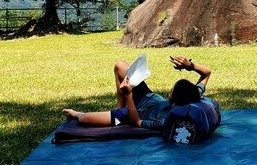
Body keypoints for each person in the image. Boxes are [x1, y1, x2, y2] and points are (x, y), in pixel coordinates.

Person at [63, 55, 212, 131]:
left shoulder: (165, 120)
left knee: (83, 118)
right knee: (120, 66)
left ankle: (113, 113)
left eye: (172, 91)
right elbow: (207, 73)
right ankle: (119, 106)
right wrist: (189, 65)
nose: (170, 90)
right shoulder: (194, 94)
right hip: (148, 97)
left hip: (133, 112)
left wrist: (129, 96)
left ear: (174, 102)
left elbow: (136, 122)